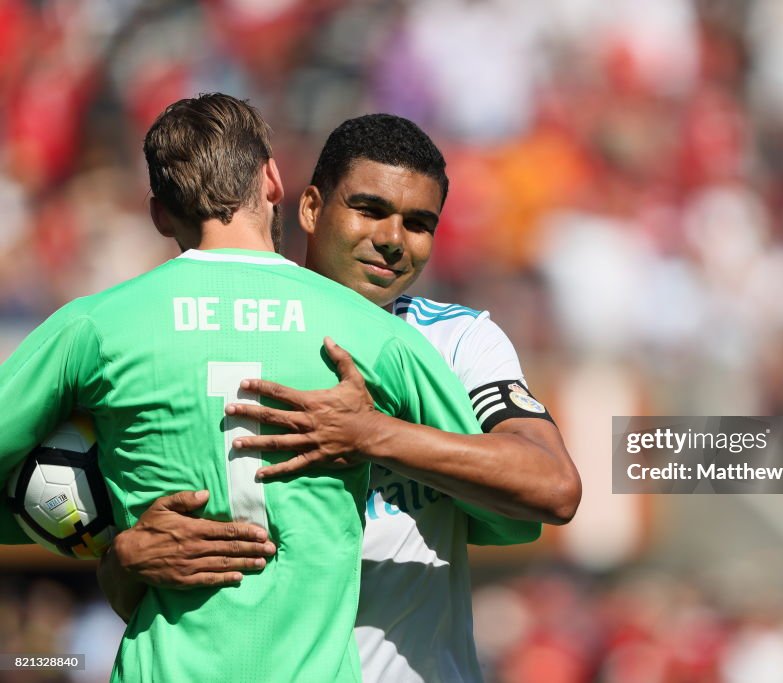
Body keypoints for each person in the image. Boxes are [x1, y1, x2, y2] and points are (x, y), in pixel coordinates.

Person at [0, 95, 492, 682]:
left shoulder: (95, 326)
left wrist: (100, 542)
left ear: (159, 214)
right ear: (274, 180)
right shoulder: (373, 332)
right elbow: (513, 513)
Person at [101, 114, 582, 682]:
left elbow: (552, 486)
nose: (393, 240)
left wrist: (372, 435)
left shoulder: (457, 341)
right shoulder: (212, 337)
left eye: (419, 223)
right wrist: (123, 561)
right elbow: (139, 576)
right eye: (370, 210)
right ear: (309, 208)